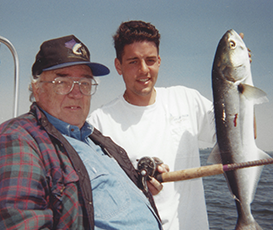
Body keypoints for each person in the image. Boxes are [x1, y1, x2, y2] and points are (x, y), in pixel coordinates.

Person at [0, 35, 163, 230]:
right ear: (37, 89)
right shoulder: (19, 138)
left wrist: (145, 175)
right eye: (62, 83)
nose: (76, 93)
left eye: (84, 84)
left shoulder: (98, 141)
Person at [88, 20, 216, 230]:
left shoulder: (187, 99)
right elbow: (96, 192)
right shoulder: (99, 122)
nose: (144, 70)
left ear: (159, 61)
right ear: (118, 66)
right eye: (133, 62)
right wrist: (137, 185)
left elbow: (244, 132)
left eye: (150, 60)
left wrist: (240, 83)